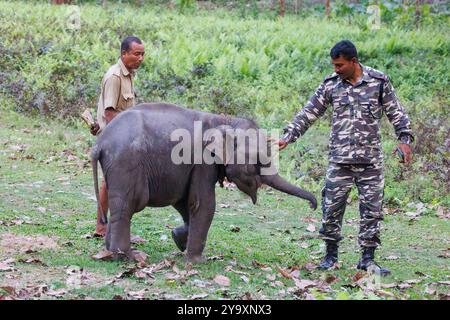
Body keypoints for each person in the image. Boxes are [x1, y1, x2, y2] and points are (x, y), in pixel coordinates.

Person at [276, 40, 414, 276]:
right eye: (334, 65)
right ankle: (330, 257)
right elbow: (310, 111)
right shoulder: (331, 84)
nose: (336, 69)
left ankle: (367, 260)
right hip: (340, 161)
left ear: (353, 61)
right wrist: (289, 136)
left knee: (372, 211)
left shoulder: (379, 82)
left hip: (370, 162)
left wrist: (405, 140)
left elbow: (396, 112)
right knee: (331, 209)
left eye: (340, 65)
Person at [90, 36, 145, 236]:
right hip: (115, 138)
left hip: (121, 136)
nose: (140, 58)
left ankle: (108, 226)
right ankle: (104, 226)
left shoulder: (129, 75)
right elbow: (110, 113)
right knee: (113, 182)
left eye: (142, 54)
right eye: (136, 54)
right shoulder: (114, 76)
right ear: (124, 54)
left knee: (115, 181)